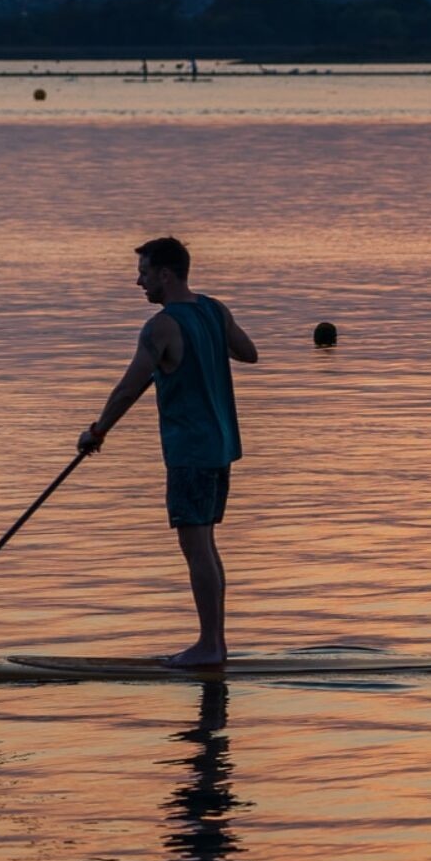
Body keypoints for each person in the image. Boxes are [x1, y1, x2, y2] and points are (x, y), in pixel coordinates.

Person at [78, 237, 258, 664]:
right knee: (206, 545)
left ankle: (210, 646)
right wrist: (209, 345)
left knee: (196, 548)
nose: (138, 281)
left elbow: (126, 390)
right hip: (221, 448)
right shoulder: (214, 310)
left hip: (190, 452)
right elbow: (248, 353)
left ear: (165, 273)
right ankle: (214, 643)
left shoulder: (161, 326)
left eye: (143, 272)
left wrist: (97, 432)